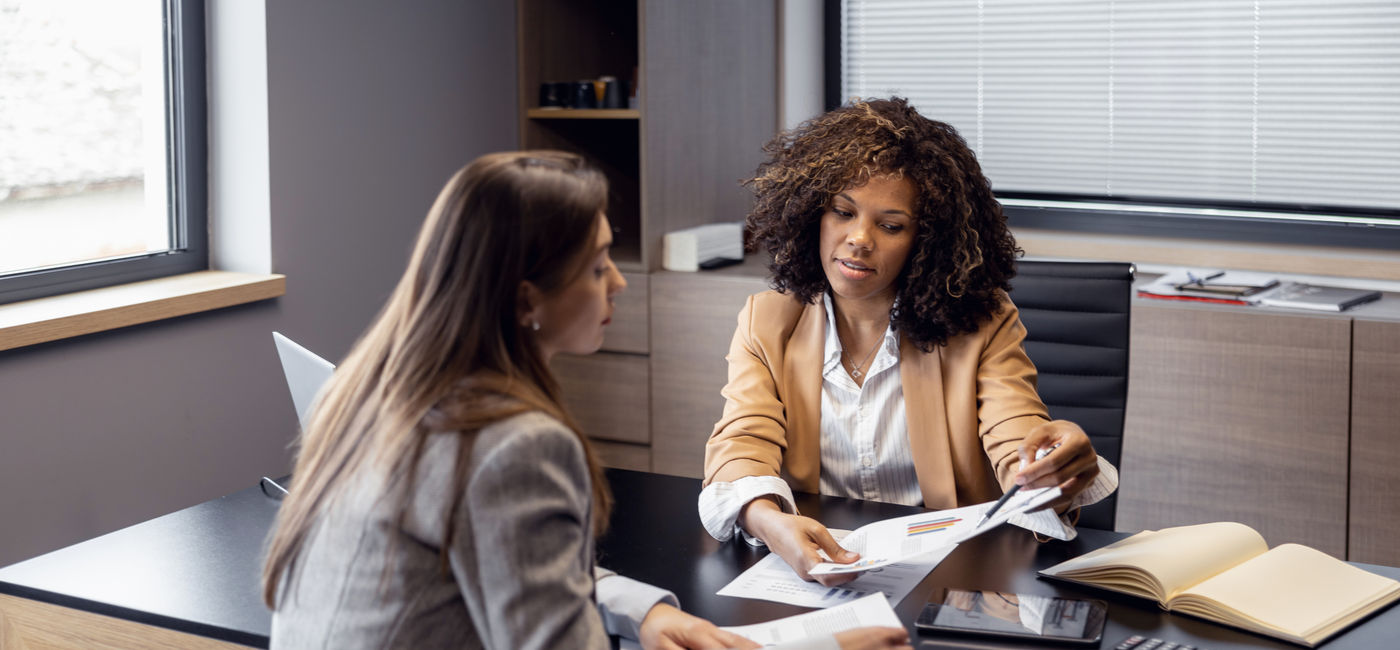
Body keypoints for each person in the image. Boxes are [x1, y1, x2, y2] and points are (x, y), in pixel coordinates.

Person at [261, 150, 911, 650]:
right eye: (599, 265)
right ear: (525, 300)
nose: (620, 281)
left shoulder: (361, 394)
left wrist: (646, 611)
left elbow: (511, 567)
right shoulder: (516, 448)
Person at [699, 98, 1120, 587]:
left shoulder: (982, 325)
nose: (859, 238)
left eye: (891, 225)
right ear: (813, 214)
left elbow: (1016, 435)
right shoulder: (767, 322)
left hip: (952, 577)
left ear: (926, 240)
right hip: (815, 576)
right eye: (842, 212)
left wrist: (1049, 469)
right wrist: (767, 519)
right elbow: (741, 442)